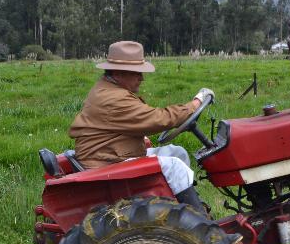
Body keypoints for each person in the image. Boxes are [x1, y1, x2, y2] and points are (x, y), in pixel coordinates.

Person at [69, 40, 212, 214]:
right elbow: (159, 118)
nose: (142, 78)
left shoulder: (107, 88)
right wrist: (195, 104)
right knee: (175, 167)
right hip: (105, 161)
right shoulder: (114, 98)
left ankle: (182, 209)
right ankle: (199, 223)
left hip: (108, 153)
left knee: (177, 153)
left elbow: (125, 123)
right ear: (118, 72)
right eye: (137, 73)